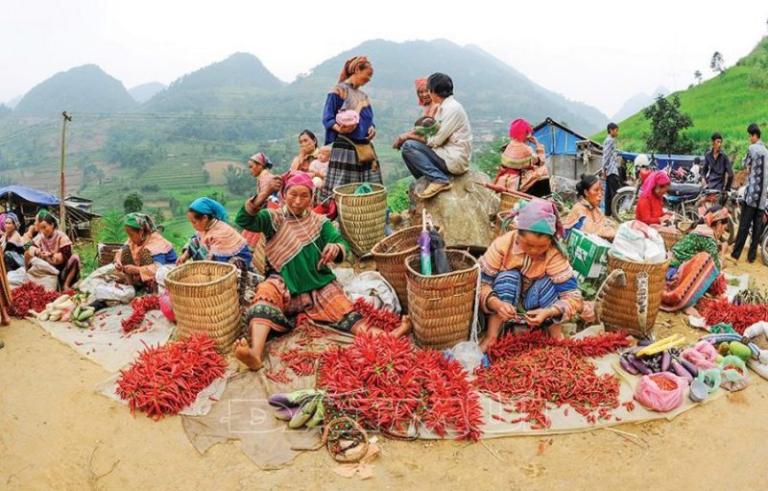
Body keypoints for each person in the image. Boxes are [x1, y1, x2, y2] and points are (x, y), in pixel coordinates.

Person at [233, 172, 410, 369]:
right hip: (285, 287)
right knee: (265, 292)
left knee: (347, 313)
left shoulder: (320, 222)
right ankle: (255, 354)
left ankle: (393, 334)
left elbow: (342, 243)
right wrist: (265, 192)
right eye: (293, 195)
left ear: (312, 197)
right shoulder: (273, 219)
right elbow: (244, 220)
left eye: (304, 196)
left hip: (318, 286)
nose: (298, 202)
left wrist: (336, 249)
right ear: (283, 194)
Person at [478, 198, 583, 351]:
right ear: (517, 233)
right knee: (508, 277)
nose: (534, 251)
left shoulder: (555, 254)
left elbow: (573, 297)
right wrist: (496, 303)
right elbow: (481, 284)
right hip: (505, 302)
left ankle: (556, 336)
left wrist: (550, 311)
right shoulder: (503, 245)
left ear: (551, 241)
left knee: (549, 282)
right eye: (528, 244)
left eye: (542, 247)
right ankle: (492, 335)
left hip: (537, 306)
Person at [394, 73, 473, 199]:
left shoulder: (452, 109)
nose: (426, 94)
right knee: (407, 150)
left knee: (409, 146)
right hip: (445, 154)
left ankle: (439, 179)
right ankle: (424, 181)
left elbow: (436, 140)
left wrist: (407, 137)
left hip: (453, 159)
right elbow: (431, 133)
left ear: (433, 91)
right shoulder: (445, 107)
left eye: (427, 90)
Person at [319, 56, 381, 205]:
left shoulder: (363, 96)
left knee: (367, 187)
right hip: (345, 146)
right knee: (344, 189)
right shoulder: (339, 91)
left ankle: (364, 216)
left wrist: (372, 128)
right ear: (357, 70)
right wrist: (340, 128)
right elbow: (327, 118)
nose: (369, 79)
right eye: (368, 74)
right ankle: (340, 216)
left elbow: (369, 119)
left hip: (364, 146)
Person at [662, 206, 730, 312]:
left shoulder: (702, 229)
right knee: (708, 266)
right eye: (724, 227)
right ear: (718, 224)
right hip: (674, 271)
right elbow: (716, 268)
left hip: (669, 264)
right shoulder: (708, 238)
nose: (723, 231)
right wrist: (722, 256)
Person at [177, 198, 252, 270]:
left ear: (204, 218)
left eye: (194, 222)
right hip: (217, 258)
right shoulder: (207, 226)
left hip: (233, 263)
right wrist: (184, 256)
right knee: (195, 241)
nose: (193, 226)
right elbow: (195, 240)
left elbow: (216, 262)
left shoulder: (221, 233)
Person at [731, 124, 768, 263]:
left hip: (752, 195)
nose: (749, 138)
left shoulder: (752, 148)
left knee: (744, 226)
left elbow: (745, 162)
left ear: (754, 135)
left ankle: (735, 254)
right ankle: (751, 257)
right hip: (762, 198)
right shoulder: (766, 151)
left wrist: (749, 165)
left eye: (749, 135)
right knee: (757, 229)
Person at [114, 213, 177, 290]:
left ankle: (154, 289)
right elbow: (121, 251)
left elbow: (158, 268)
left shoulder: (156, 242)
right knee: (125, 250)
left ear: (141, 232)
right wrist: (118, 262)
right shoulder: (134, 240)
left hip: (167, 274)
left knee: (145, 253)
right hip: (144, 273)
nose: (130, 238)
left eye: (131, 235)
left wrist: (136, 270)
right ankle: (131, 286)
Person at [493, 118, 550, 197]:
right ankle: (538, 198)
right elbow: (541, 162)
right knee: (543, 171)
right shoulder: (526, 149)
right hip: (517, 183)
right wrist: (538, 144)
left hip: (503, 180)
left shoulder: (509, 146)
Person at [24, 212, 81, 290]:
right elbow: (26, 246)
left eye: (45, 227)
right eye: (41, 228)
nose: (43, 231)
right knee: (28, 253)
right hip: (48, 267)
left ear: (52, 225)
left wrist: (51, 254)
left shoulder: (61, 236)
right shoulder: (40, 237)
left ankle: (66, 285)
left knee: (75, 258)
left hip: (62, 267)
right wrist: (37, 251)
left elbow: (65, 256)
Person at [563, 174, 617, 240]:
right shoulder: (579, 209)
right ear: (586, 192)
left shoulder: (596, 209)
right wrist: (612, 233)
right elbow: (591, 231)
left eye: (601, 190)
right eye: (596, 190)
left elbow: (605, 223)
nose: (600, 194)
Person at [701, 132, 733, 198]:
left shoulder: (724, 157)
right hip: (709, 187)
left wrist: (727, 189)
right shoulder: (708, 155)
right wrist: (703, 179)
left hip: (719, 188)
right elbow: (704, 170)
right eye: (718, 142)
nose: (719, 144)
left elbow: (731, 175)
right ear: (713, 142)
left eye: (720, 142)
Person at [602, 123, 621, 217]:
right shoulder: (610, 140)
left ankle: (607, 213)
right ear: (611, 130)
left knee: (608, 193)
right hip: (611, 170)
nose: (617, 132)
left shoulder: (609, 140)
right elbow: (606, 156)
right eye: (616, 130)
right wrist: (604, 169)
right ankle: (615, 214)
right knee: (616, 193)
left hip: (609, 170)